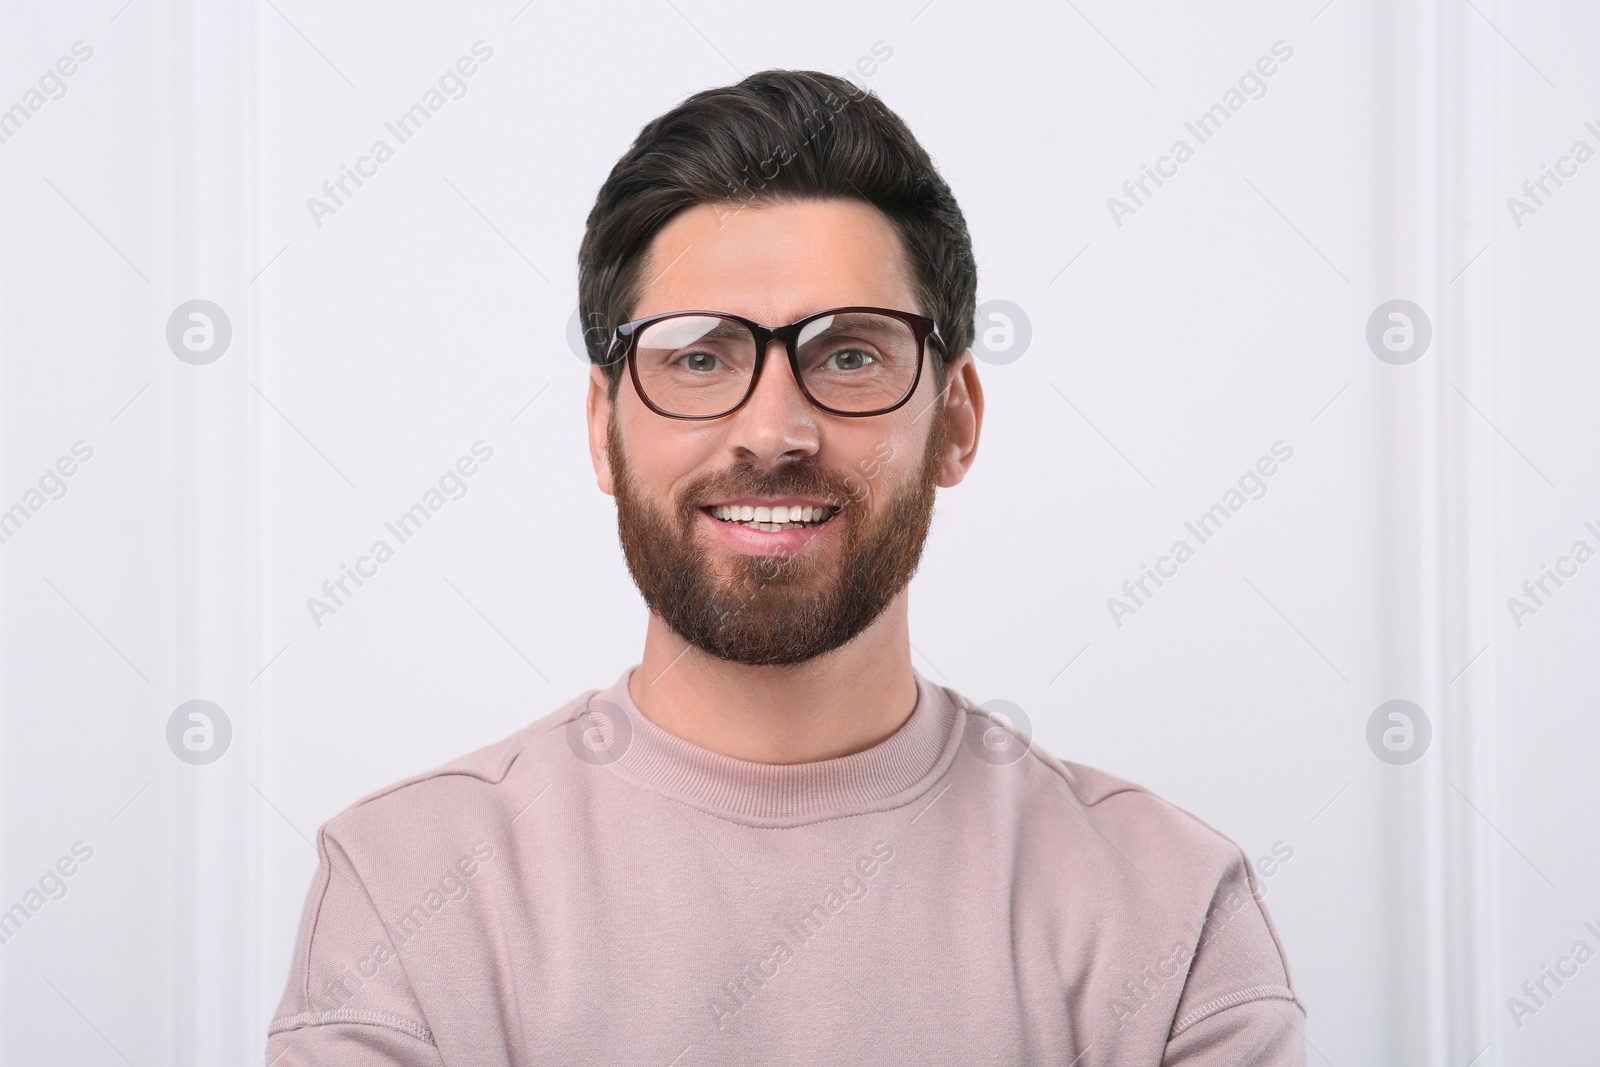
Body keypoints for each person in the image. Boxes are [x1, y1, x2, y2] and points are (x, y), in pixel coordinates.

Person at [266, 68, 1304, 1065]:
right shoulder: (405, 889)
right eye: (699, 355)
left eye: (850, 352)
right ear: (602, 427)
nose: (773, 429)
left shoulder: (1170, 913)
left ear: (956, 420)